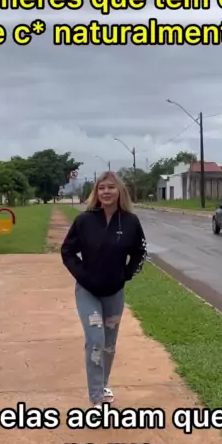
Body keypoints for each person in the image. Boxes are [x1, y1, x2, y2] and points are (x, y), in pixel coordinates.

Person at [60, 171, 147, 407]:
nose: (106, 192)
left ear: (119, 191)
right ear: (96, 192)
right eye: (101, 188)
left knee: (108, 344)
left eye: (110, 187)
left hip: (114, 293)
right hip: (87, 291)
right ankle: (97, 398)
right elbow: (67, 251)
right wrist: (83, 275)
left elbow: (140, 253)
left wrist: (125, 275)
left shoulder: (130, 222)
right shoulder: (85, 221)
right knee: (96, 339)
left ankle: (102, 384)